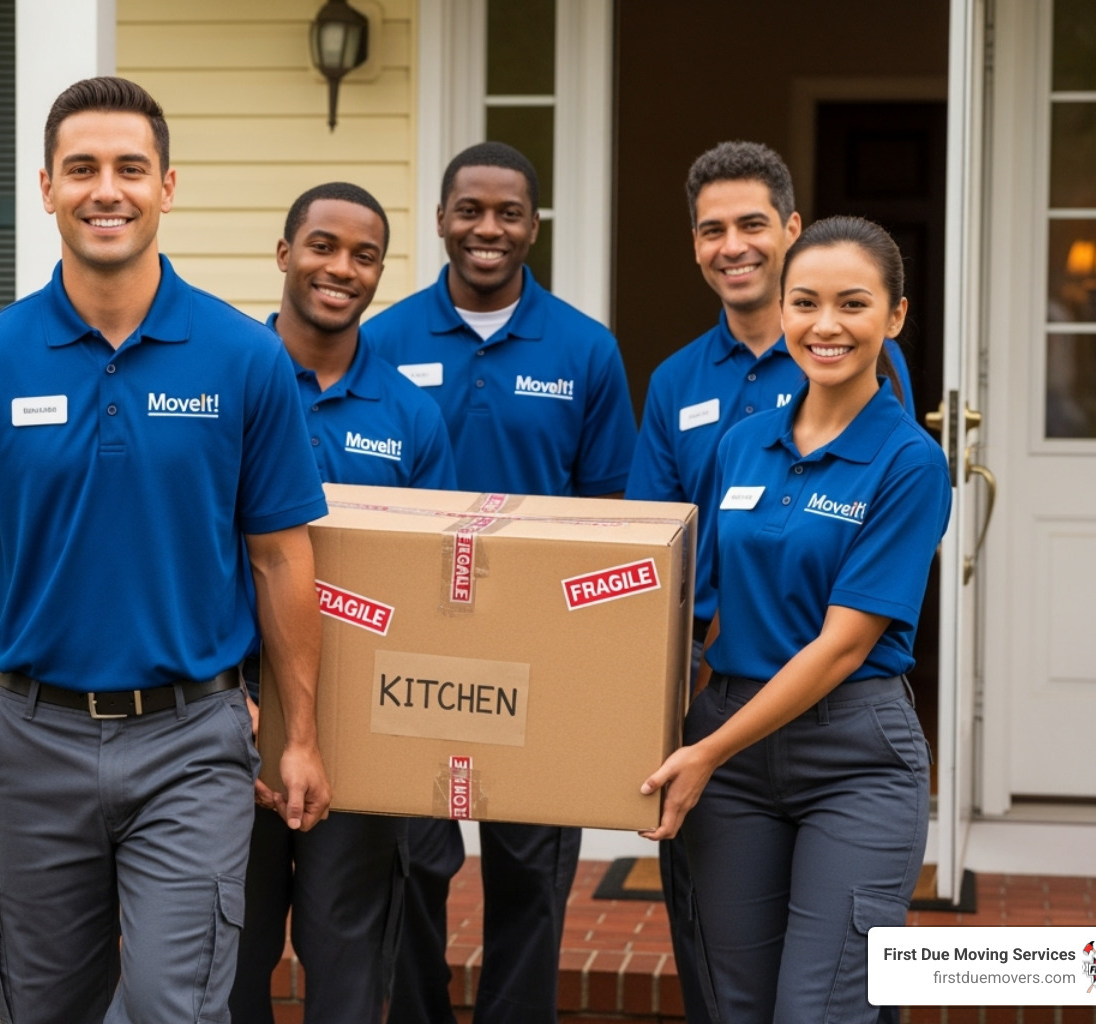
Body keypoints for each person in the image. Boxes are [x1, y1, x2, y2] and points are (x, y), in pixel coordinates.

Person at [0, 77, 332, 1024]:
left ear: (168, 187)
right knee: (45, 1006)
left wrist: (301, 734)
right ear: (47, 187)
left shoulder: (243, 358)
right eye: (84, 169)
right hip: (36, 740)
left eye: (130, 169)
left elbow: (281, 558)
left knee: (169, 1008)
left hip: (192, 742)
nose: (108, 189)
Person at [623, 140, 917, 1024]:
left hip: (846, 744)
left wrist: (703, 751)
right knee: (732, 1002)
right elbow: (669, 572)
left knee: (824, 1007)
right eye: (808, 306)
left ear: (893, 319)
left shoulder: (903, 451)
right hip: (731, 733)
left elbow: (845, 641)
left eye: (852, 306)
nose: (826, 325)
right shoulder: (728, 435)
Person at [363, 141, 637, 1024]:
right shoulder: (383, 340)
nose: (488, 229)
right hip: (410, 641)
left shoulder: (586, 352)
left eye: (508, 212)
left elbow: (607, 519)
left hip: (535, 648)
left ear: (533, 225)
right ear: (442, 219)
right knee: (411, 858)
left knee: (532, 864)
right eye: (469, 210)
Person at [230, 182, 457, 1024]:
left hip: (362, 733)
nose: (341, 269)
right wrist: (241, 705)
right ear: (284, 252)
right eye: (323, 245)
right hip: (228, 722)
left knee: (351, 971)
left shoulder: (410, 414)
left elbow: (435, 592)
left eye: (365, 256)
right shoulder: (227, 378)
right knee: (225, 970)